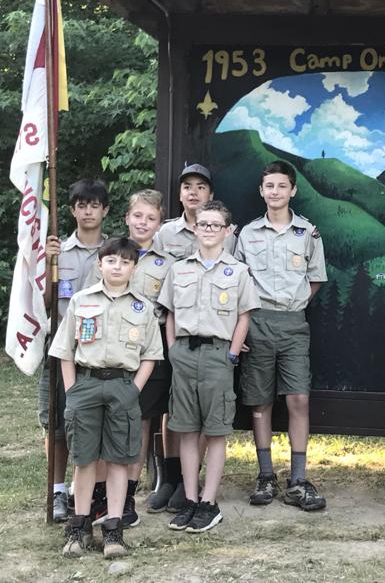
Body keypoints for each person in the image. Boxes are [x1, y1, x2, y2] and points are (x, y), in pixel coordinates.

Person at [49, 237, 163, 559]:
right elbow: (64, 351)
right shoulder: (81, 301)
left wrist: (134, 389)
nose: (117, 266)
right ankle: (79, 527)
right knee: (84, 459)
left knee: (118, 460)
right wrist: (72, 391)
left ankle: (113, 530)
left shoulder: (142, 307)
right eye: (111, 261)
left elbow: (152, 354)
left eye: (125, 262)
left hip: (122, 387)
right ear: (100, 264)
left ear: (134, 267)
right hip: (85, 385)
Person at [158, 200, 259, 533]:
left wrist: (231, 354)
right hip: (184, 354)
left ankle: (209, 502)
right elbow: (170, 312)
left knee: (215, 431)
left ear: (228, 231)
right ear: (195, 228)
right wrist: (173, 349)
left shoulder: (238, 271)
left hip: (218, 356)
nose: (209, 230)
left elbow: (244, 315)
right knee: (186, 428)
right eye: (203, 224)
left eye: (216, 225)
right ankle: (189, 499)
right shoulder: (180, 268)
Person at [234, 161, 328, 511]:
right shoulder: (248, 233)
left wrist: (296, 302)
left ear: (293, 191)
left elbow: (315, 278)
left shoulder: (307, 233)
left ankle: (299, 478)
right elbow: (237, 280)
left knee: (298, 399)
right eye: (269, 186)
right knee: (260, 403)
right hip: (257, 321)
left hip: (293, 322)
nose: (275, 192)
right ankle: (265, 475)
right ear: (261, 191)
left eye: (281, 186)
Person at [84, 190, 175, 527]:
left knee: (139, 425)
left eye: (151, 218)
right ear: (126, 217)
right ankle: (99, 497)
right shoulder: (109, 255)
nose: (143, 223)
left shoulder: (167, 265)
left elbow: (170, 311)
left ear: (160, 223)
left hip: (149, 354)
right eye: (138, 216)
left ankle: (128, 500)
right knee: (106, 424)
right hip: (109, 355)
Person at [152, 162, 235, 513]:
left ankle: (194, 481)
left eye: (201, 186)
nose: (193, 192)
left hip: (211, 340)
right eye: (187, 186)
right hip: (169, 332)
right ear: (180, 194)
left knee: (204, 411)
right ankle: (170, 478)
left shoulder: (226, 232)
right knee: (171, 409)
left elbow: (236, 286)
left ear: (210, 195)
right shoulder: (165, 234)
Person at [41, 179, 109, 522]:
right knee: (58, 426)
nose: (87, 211)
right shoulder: (58, 252)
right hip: (62, 351)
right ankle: (57, 492)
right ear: (72, 210)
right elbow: (46, 302)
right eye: (81, 205)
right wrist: (48, 265)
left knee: (94, 426)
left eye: (94, 205)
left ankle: (87, 493)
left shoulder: (114, 252)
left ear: (105, 210)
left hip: (100, 357)